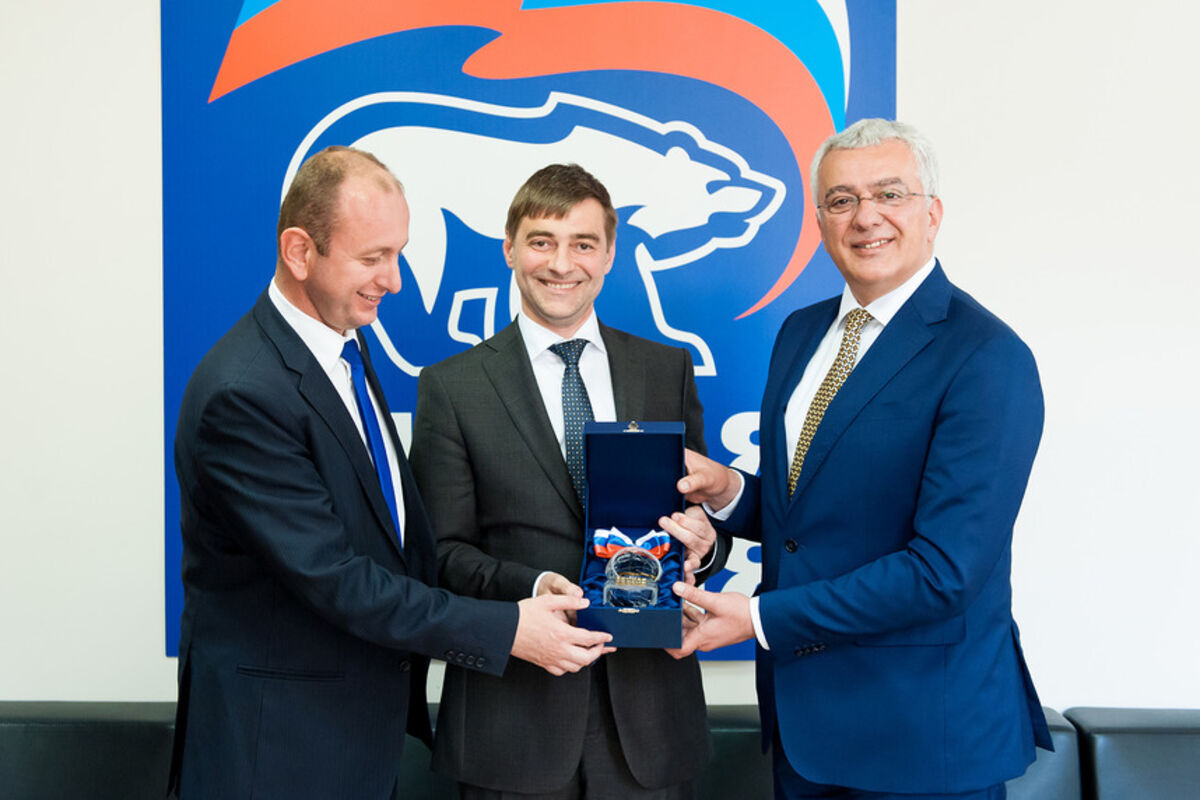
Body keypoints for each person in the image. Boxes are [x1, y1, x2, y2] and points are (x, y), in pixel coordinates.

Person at [168, 146, 612, 800]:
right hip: (278, 753)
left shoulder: (342, 346)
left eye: (399, 254)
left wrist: (527, 587)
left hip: (353, 740)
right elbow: (337, 578)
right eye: (373, 258)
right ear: (299, 251)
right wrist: (508, 630)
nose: (395, 280)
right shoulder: (245, 394)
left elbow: (399, 542)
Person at [671, 120, 1053, 799]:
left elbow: (944, 572)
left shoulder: (987, 357)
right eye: (841, 200)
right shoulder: (801, 333)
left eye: (889, 193)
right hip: (804, 731)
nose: (866, 216)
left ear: (932, 213)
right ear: (820, 221)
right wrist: (730, 491)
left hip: (921, 737)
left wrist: (757, 620)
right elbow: (813, 521)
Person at [409, 163, 727, 799]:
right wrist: (532, 587)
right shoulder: (452, 387)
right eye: (541, 241)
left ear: (609, 254)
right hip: (513, 725)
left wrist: (707, 545)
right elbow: (438, 554)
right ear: (509, 248)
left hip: (650, 723)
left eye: (583, 243)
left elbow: (698, 518)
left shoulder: (666, 369)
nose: (561, 264)